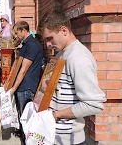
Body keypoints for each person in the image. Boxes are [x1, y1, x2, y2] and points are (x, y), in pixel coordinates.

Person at [38, 10, 105, 144]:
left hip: (68, 139)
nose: (48, 45)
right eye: (45, 40)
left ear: (64, 30)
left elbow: (94, 104)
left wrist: (56, 115)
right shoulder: (62, 54)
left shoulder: (78, 58)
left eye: (50, 38)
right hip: (54, 135)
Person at [8, 21, 43, 145]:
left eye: (17, 33)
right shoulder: (26, 44)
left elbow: (23, 70)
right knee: (22, 117)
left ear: (24, 30)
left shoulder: (32, 45)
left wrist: (13, 89)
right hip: (23, 86)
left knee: (27, 119)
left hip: (27, 86)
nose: (16, 36)